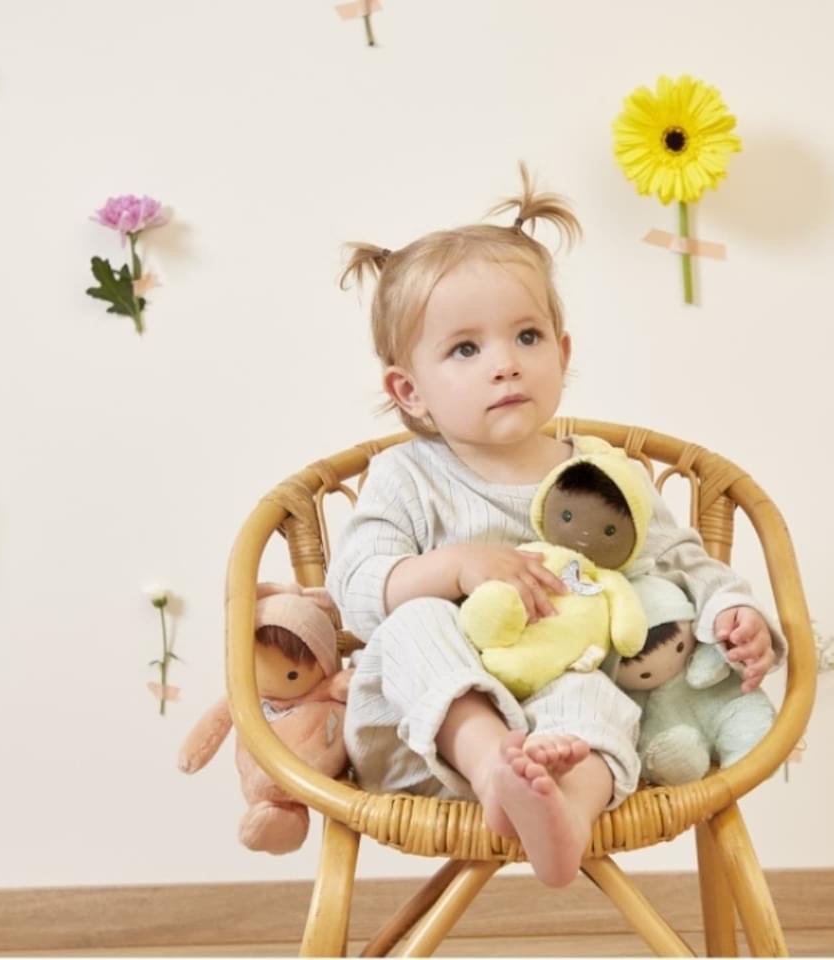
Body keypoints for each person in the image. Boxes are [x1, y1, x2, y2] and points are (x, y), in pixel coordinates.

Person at [325, 165, 782, 888]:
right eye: (465, 349)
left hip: (561, 736)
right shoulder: (407, 477)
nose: (505, 364)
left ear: (562, 354)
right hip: (428, 734)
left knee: (596, 690)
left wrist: (732, 610)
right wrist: (453, 567)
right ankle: (489, 762)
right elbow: (353, 591)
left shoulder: (601, 475)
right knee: (412, 624)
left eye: (527, 336)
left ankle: (561, 816)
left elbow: (681, 564)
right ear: (408, 390)